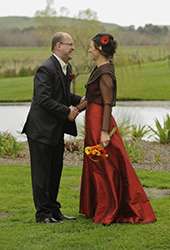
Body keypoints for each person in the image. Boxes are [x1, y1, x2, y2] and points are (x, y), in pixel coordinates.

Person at [76, 33, 157, 225]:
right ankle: (98, 206)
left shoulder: (105, 72)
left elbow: (107, 103)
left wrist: (104, 132)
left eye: (91, 47)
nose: (89, 50)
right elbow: (91, 97)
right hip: (92, 120)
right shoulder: (99, 68)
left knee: (104, 164)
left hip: (99, 123)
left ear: (100, 49)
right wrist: (75, 110)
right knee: (96, 163)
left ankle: (108, 211)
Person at [22, 32, 83, 223]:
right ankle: (43, 215)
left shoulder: (66, 67)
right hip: (40, 130)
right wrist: (67, 112)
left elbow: (63, 96)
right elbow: (43, 100)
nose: (73, 47)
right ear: (58, 46)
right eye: (70, 44)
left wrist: (82, 100)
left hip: (55, 130)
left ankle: (54, 210)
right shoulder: (45, 69)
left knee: (55, 171)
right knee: (42, 175)